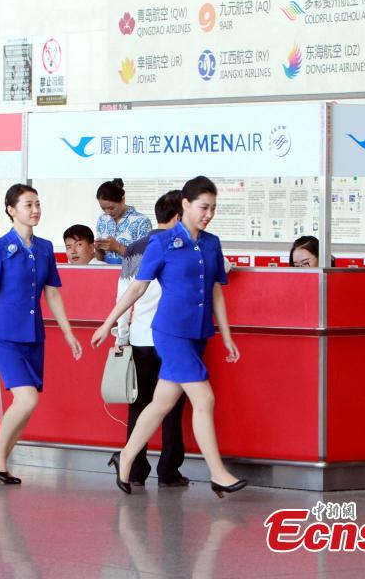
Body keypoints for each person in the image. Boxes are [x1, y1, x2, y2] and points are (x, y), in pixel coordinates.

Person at [91, 176, 246, 497]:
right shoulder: (161, 243)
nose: (208, 214)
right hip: (170, 333)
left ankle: (125, 459)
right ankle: (218, 473)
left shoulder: (211, 243)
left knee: (161, 404)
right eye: (203, 207)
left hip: (198, 333)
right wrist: (108, 323)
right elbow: (136, 286)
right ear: (185, 205)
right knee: (204, 398)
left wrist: (227, 335)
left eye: (213, 208)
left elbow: (216, 291)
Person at [0, 184, 82, 484]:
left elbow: (53, 295)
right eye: (28, 205)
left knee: (29, 404)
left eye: (37, 204)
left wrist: (68, 333)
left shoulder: (44, 248)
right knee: (27, 400)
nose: (35, 210)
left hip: (34, 336)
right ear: (11, 210)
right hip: (5, 335)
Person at [115, 191, 188, 487]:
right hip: (173, 339)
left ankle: (134, 469)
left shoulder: (134, 248)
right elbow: (221, 267)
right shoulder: (185, 245)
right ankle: (169, 470)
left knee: (140, 405)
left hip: (141, 337)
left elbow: (123, 296)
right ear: (180, 215)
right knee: (170, 407)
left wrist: (122, 335)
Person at [94, 179, 152, 265]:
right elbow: (100, 260)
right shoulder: (102, 219)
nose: (107, 212)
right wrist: (98, 250)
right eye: (103, 208)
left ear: (122, 199)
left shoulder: (141, 221)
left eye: (111, 208)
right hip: (105, 274)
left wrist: (118, 247)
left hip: (131, 275)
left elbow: (145, 259)